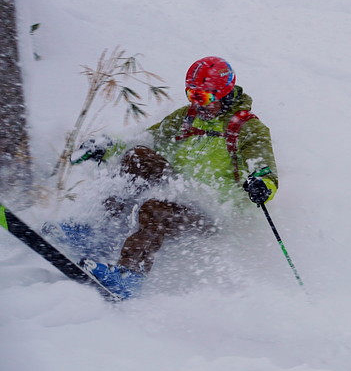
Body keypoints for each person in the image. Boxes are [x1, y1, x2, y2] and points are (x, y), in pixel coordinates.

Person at [71, 56, 278, 299]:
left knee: (155, 208)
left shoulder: (248, 128)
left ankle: (130, 277)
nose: (197, 103)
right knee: (138, 156)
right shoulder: (187, 117)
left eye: (204, 97)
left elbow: (265, 169)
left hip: (213, 211)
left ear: (223, 94)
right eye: (192, 94)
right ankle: (97, 233)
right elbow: (146, 139)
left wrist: (262, 185)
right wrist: (109, 147)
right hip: (180, 188)